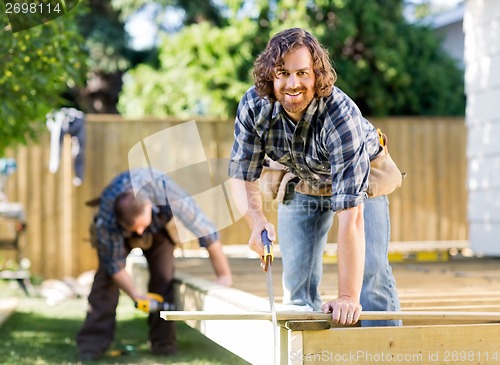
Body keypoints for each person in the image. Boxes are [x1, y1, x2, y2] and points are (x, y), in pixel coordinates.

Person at [228, 28, 401, 327]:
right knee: (297, 281)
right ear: (270, 75)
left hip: (361, 180)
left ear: (316, 74)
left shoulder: (340, 115)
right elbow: (241, 174)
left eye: (302, 73)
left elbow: (351, 217)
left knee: (371, 273)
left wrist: (347, 295)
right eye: (283, 73)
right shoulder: (254, 105)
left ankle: (382, 352)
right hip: (302, 176)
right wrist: (256, 222)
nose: (293, 84)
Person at [76, 168, 232, 360]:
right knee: (105, 281)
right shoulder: (109, 216)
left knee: (163, 277)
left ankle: (163, 344)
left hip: (159, 228)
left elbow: (206, 231)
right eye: (136, 228)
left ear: (149, 206)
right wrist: (136, 295)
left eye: (142, 226)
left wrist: (224, 275)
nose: (140, 233)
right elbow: (114, 265)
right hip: (120, 230)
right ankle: (92, 346)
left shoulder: (166, 192)